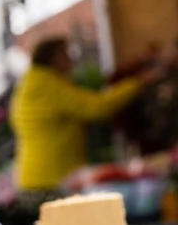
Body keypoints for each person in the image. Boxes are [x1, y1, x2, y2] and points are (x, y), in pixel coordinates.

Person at [9, 37, 163, 192]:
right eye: (66, 54)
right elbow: (96, 107)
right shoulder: (48, 85)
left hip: (40, 176)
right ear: (55, 58)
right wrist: (138, 83)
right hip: (52, 178)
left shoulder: (33, 82)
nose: (71, 59)